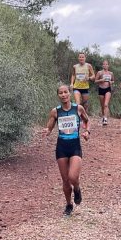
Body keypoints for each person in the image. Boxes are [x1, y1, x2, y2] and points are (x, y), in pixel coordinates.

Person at [43, 84, 90, 216]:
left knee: (73, 177)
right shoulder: (55, 111)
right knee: (65, 180)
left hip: (75, 146)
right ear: (58, 95)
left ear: (70, 94)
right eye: (60, 93)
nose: (63, 95)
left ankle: (77, 188)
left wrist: (87, 132)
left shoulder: (78, 108)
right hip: (61, 147)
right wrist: (47, 130)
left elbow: (87, 121)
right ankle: (69, 204)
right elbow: (50, 127)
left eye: (65, 92)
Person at [95, 60, 114, 126]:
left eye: (106, 64)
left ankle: (105, 119)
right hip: (101, 89)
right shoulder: (99, 73)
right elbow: (95, 81)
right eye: (104, 64)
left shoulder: (111, 73)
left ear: (108, 65)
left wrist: (111, 82)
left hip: (108, 89)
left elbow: (113, 80)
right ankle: (103, 116)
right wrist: (101, 80)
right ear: (102, 65)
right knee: (102, 105)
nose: (105, 65)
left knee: (106, 104)